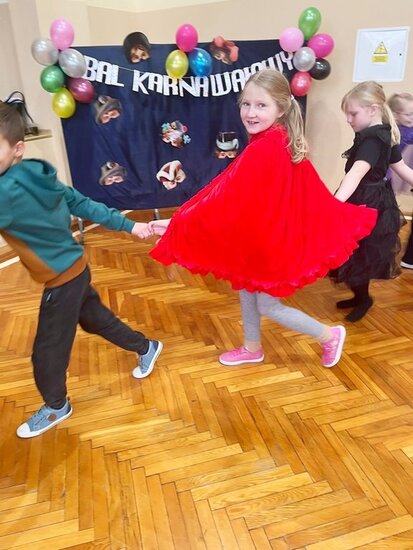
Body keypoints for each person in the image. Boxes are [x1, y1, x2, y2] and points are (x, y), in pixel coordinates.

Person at [144, 69, 378, 368]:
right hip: (258, 233)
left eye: (261, 105)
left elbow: (223, 195)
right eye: (246, 104)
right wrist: (178, 219)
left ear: (281, 109)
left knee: (268, 304)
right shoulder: (273, 138)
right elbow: (223, 185)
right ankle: (252, 347)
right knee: (245, 287)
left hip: (271, 238)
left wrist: (178, 223)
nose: (250, 112)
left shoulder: (267, 145)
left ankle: (328, 335)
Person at [0, 100, 162, 438]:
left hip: (61, 281)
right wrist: (129, 225)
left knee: (47, 353)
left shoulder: (6, 192)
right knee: (95, 320)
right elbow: (80, 202)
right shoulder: (36, 173)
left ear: (17, 148)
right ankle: (146, 347)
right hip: (76, 267)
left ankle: (56, 406)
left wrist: (129, 225)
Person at [331, 82, 413, 322]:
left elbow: (356, 173)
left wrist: (334, 204)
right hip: (372, 200)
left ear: (373, 110)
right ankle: (360, 296)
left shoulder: (374, 140)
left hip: (368, 204)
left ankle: (364, 298)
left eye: (353, 113)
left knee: (358, 254)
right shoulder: (383, 134)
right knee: (356, 252)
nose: (348, 119)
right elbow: (401, 168)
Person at [387, 92, 413, 269]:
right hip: (387, 173)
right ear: (396, 115)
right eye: (408, 114)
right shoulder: (397, 131)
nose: (412, 118)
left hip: (397, 171)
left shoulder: (403, 127)